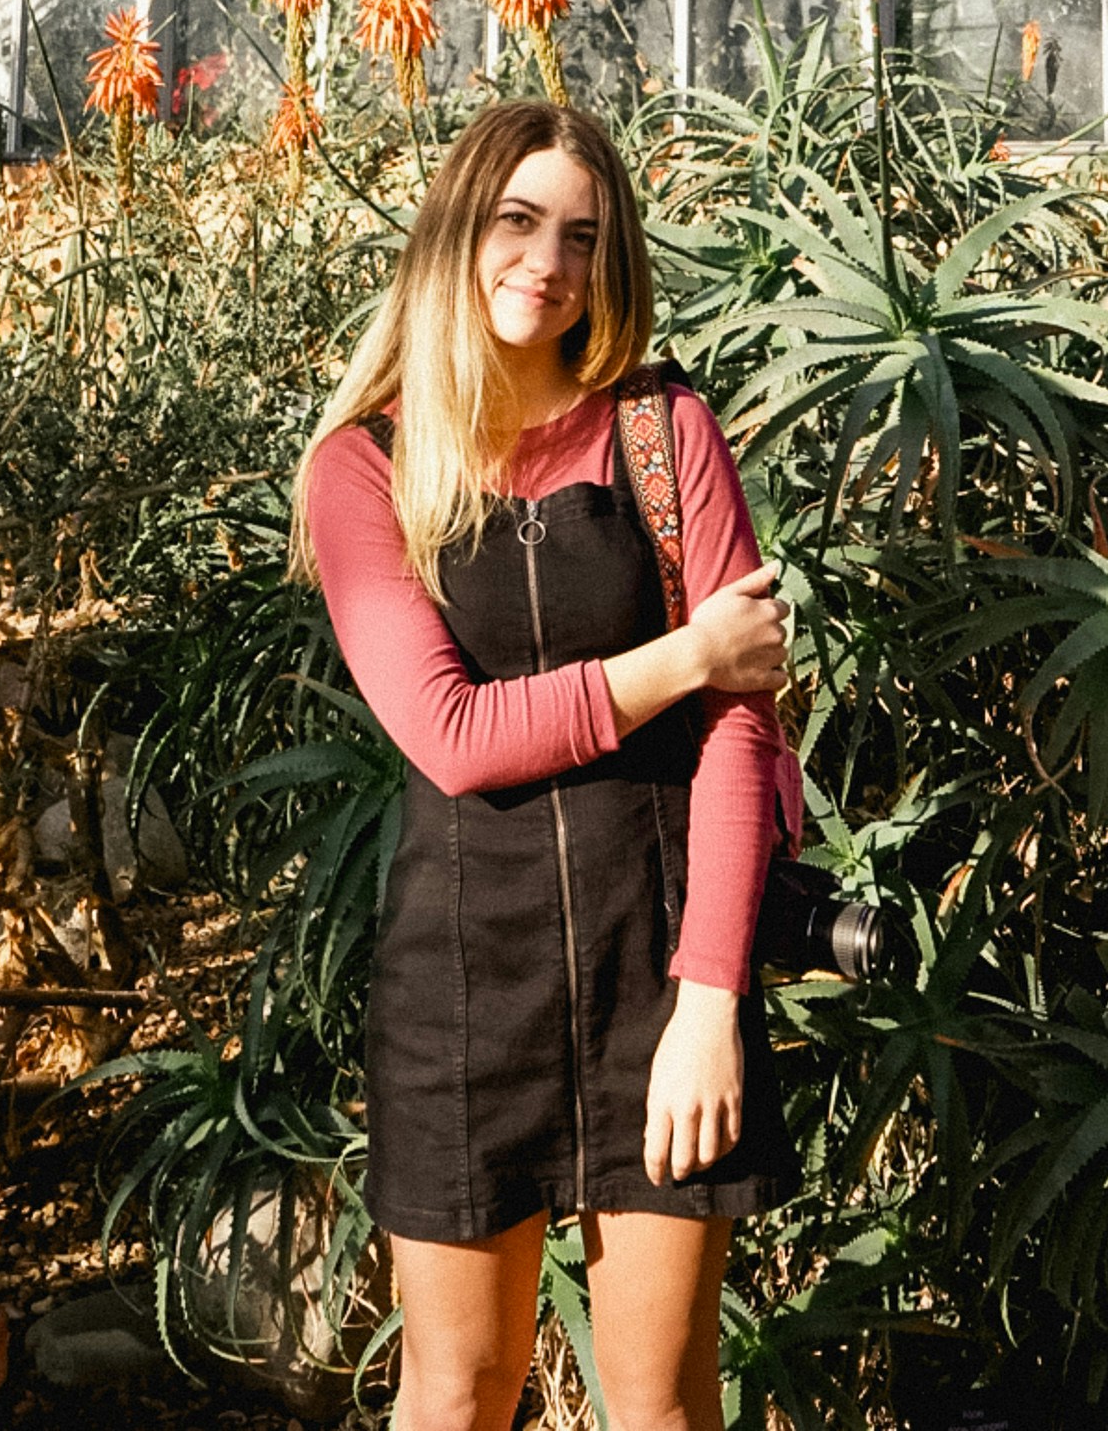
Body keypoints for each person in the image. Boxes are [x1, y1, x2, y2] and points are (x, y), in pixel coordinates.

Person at [291, 96, 798, 1431]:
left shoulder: (660, 430)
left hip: (658, 973)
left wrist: (707, 1003)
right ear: (458, 231)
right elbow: (452, 740)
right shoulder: (364, 469)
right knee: (457, 1393)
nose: (547, 262)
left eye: (580, 234)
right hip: (463, 982)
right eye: (517, 222)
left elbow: (743, 731)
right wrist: (683, 658)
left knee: (663, 1407)